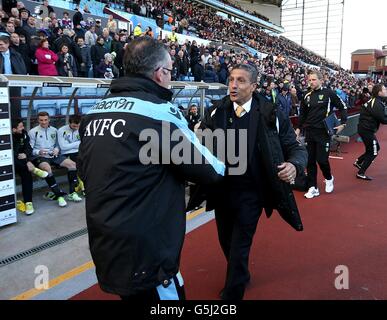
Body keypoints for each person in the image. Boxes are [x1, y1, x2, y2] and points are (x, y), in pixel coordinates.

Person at [77, 37, 225, 301]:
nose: (169, 78)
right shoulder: (158, 112)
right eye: (169, 71)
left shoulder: (94, 113)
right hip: (146, 244)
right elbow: (208, 169)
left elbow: (85, 169)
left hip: (105, 234)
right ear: (159, 73)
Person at [197, 64, 307, 300]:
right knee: (226, 241)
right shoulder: (218, 111)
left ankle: (233, 294)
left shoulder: (271, 114)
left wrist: (294, 165)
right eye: (231, 79)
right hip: (222, 191)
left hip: (253, 193)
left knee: (239, 245)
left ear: (254, 86)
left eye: (241, 81)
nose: (233, 85)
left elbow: (295, 147)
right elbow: (201, 141)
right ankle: (241, 274)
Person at [295, 71, 347, 199]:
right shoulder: (306, 96)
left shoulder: (329, 94)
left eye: (313, 79)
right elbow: (302, 115)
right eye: (309, 80)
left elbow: (343, 107)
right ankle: (313, 187)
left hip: (323, 133)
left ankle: (329, 178)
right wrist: (298, 129)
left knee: (322, 160)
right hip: (310, 132)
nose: (311, 82)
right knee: (310, 161)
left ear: (320, 80)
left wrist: (343, 123)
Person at [29, 112, 82, 207]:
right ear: (38, 120)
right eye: (41, 120)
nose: (43, 122)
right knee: (47, 168)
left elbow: (58, 144)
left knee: (72, 165)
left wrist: (57, 149)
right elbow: (30, 150)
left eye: (45, 120)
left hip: (54, 155)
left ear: (49, 120)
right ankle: (58, 195)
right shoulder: (33, 132)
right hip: (40, 157)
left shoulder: (54, 130)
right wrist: (38, 152)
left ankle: (72, 193)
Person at [12, 118, 49, 215]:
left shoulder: (24, 133)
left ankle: (28, 202)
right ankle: (34, 169)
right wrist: (22, 157)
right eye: (20, 127)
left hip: (22, 162)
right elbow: (10, 152)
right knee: (15, 160)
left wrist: (25, 156)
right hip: (12, 162)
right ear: (13, 130)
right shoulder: (7, 137)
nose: (23, 128)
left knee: (27, 175)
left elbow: (28, 147)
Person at [354, 84, 387, 180]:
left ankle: (359, 162)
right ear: (379, 92)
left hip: (365, 129)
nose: (386, 90)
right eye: (384, 89)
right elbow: (383, 120)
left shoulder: (376, 101)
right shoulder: (376, 103)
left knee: (373, 149)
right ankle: (361, 173)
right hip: (366, 130)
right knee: (374, 151)